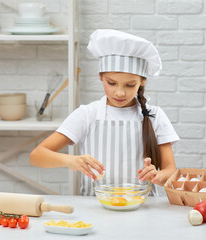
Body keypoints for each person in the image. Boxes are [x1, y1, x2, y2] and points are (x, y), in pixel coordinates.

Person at [30, 29, 179, 196]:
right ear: (101, 76)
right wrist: (70, 161)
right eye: (112, 83)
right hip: (95, 208)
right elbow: (37, 156)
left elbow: (170, 170)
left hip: (143, 208)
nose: (120, 93)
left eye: (130, 85)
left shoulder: (155, 116)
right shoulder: (87, 114)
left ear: (142, 81)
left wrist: (158, 176)